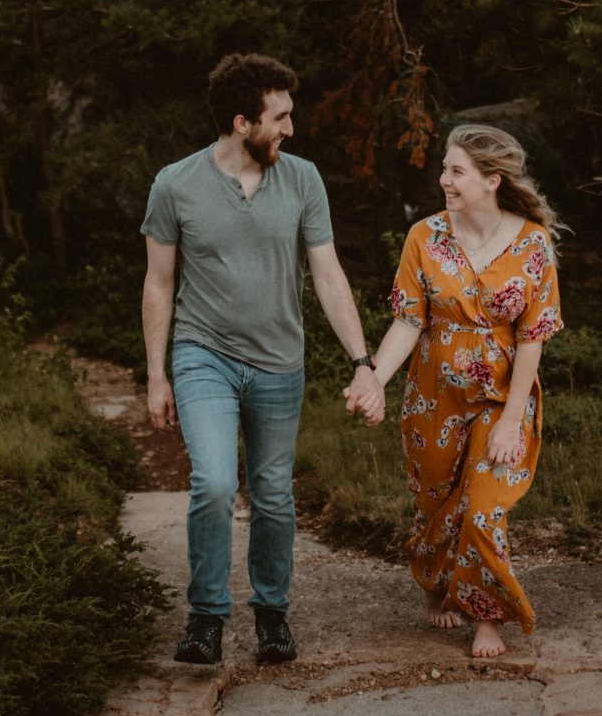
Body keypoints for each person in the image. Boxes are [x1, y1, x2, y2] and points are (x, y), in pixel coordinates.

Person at [142, 53, 386, 667]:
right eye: (280, 118)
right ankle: (206, 619)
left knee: (274, 493)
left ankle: (272, 614)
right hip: (205, 356)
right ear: (241, 121)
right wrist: (156, 374)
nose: (290, 129)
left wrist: (363, 361)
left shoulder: (302, 179)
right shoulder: (175, 184)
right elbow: (158, 284)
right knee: (216, 481)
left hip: (280, 362)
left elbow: (327, 274)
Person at [362, 123, 564, 659]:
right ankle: (436, 582)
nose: (443, 180)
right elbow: (408, 321)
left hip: (502, 398)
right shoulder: (424, 238)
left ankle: (486, 615)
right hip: (433, 398)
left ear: (491, 180)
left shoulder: (532, 244)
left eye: (456, 171)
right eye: (445, 169)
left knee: (481, 509)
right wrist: (374, 379)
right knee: (435, 505)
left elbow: (533, 337)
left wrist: (510, 418)